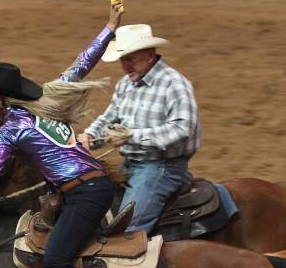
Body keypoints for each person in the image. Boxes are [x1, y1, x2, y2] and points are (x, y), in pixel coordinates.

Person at [0, 7, 120, 268]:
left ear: (0, 99)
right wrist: (109, 28)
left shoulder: (9, 131)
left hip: (83, 195)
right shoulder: (46, 101)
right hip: (94, 185)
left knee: (55, 263)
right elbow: (82, 64)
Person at [78, 23, 199, 235]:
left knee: (126, 230)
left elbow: (182, 129)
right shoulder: (125, 84)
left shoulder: (174, 84)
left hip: (162, 167)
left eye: (130, 58)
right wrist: (90, 135)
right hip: (130, 164)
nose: (125, 65)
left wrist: (132, 136)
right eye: (122, 59)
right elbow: (109, 117)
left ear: (150, 55)